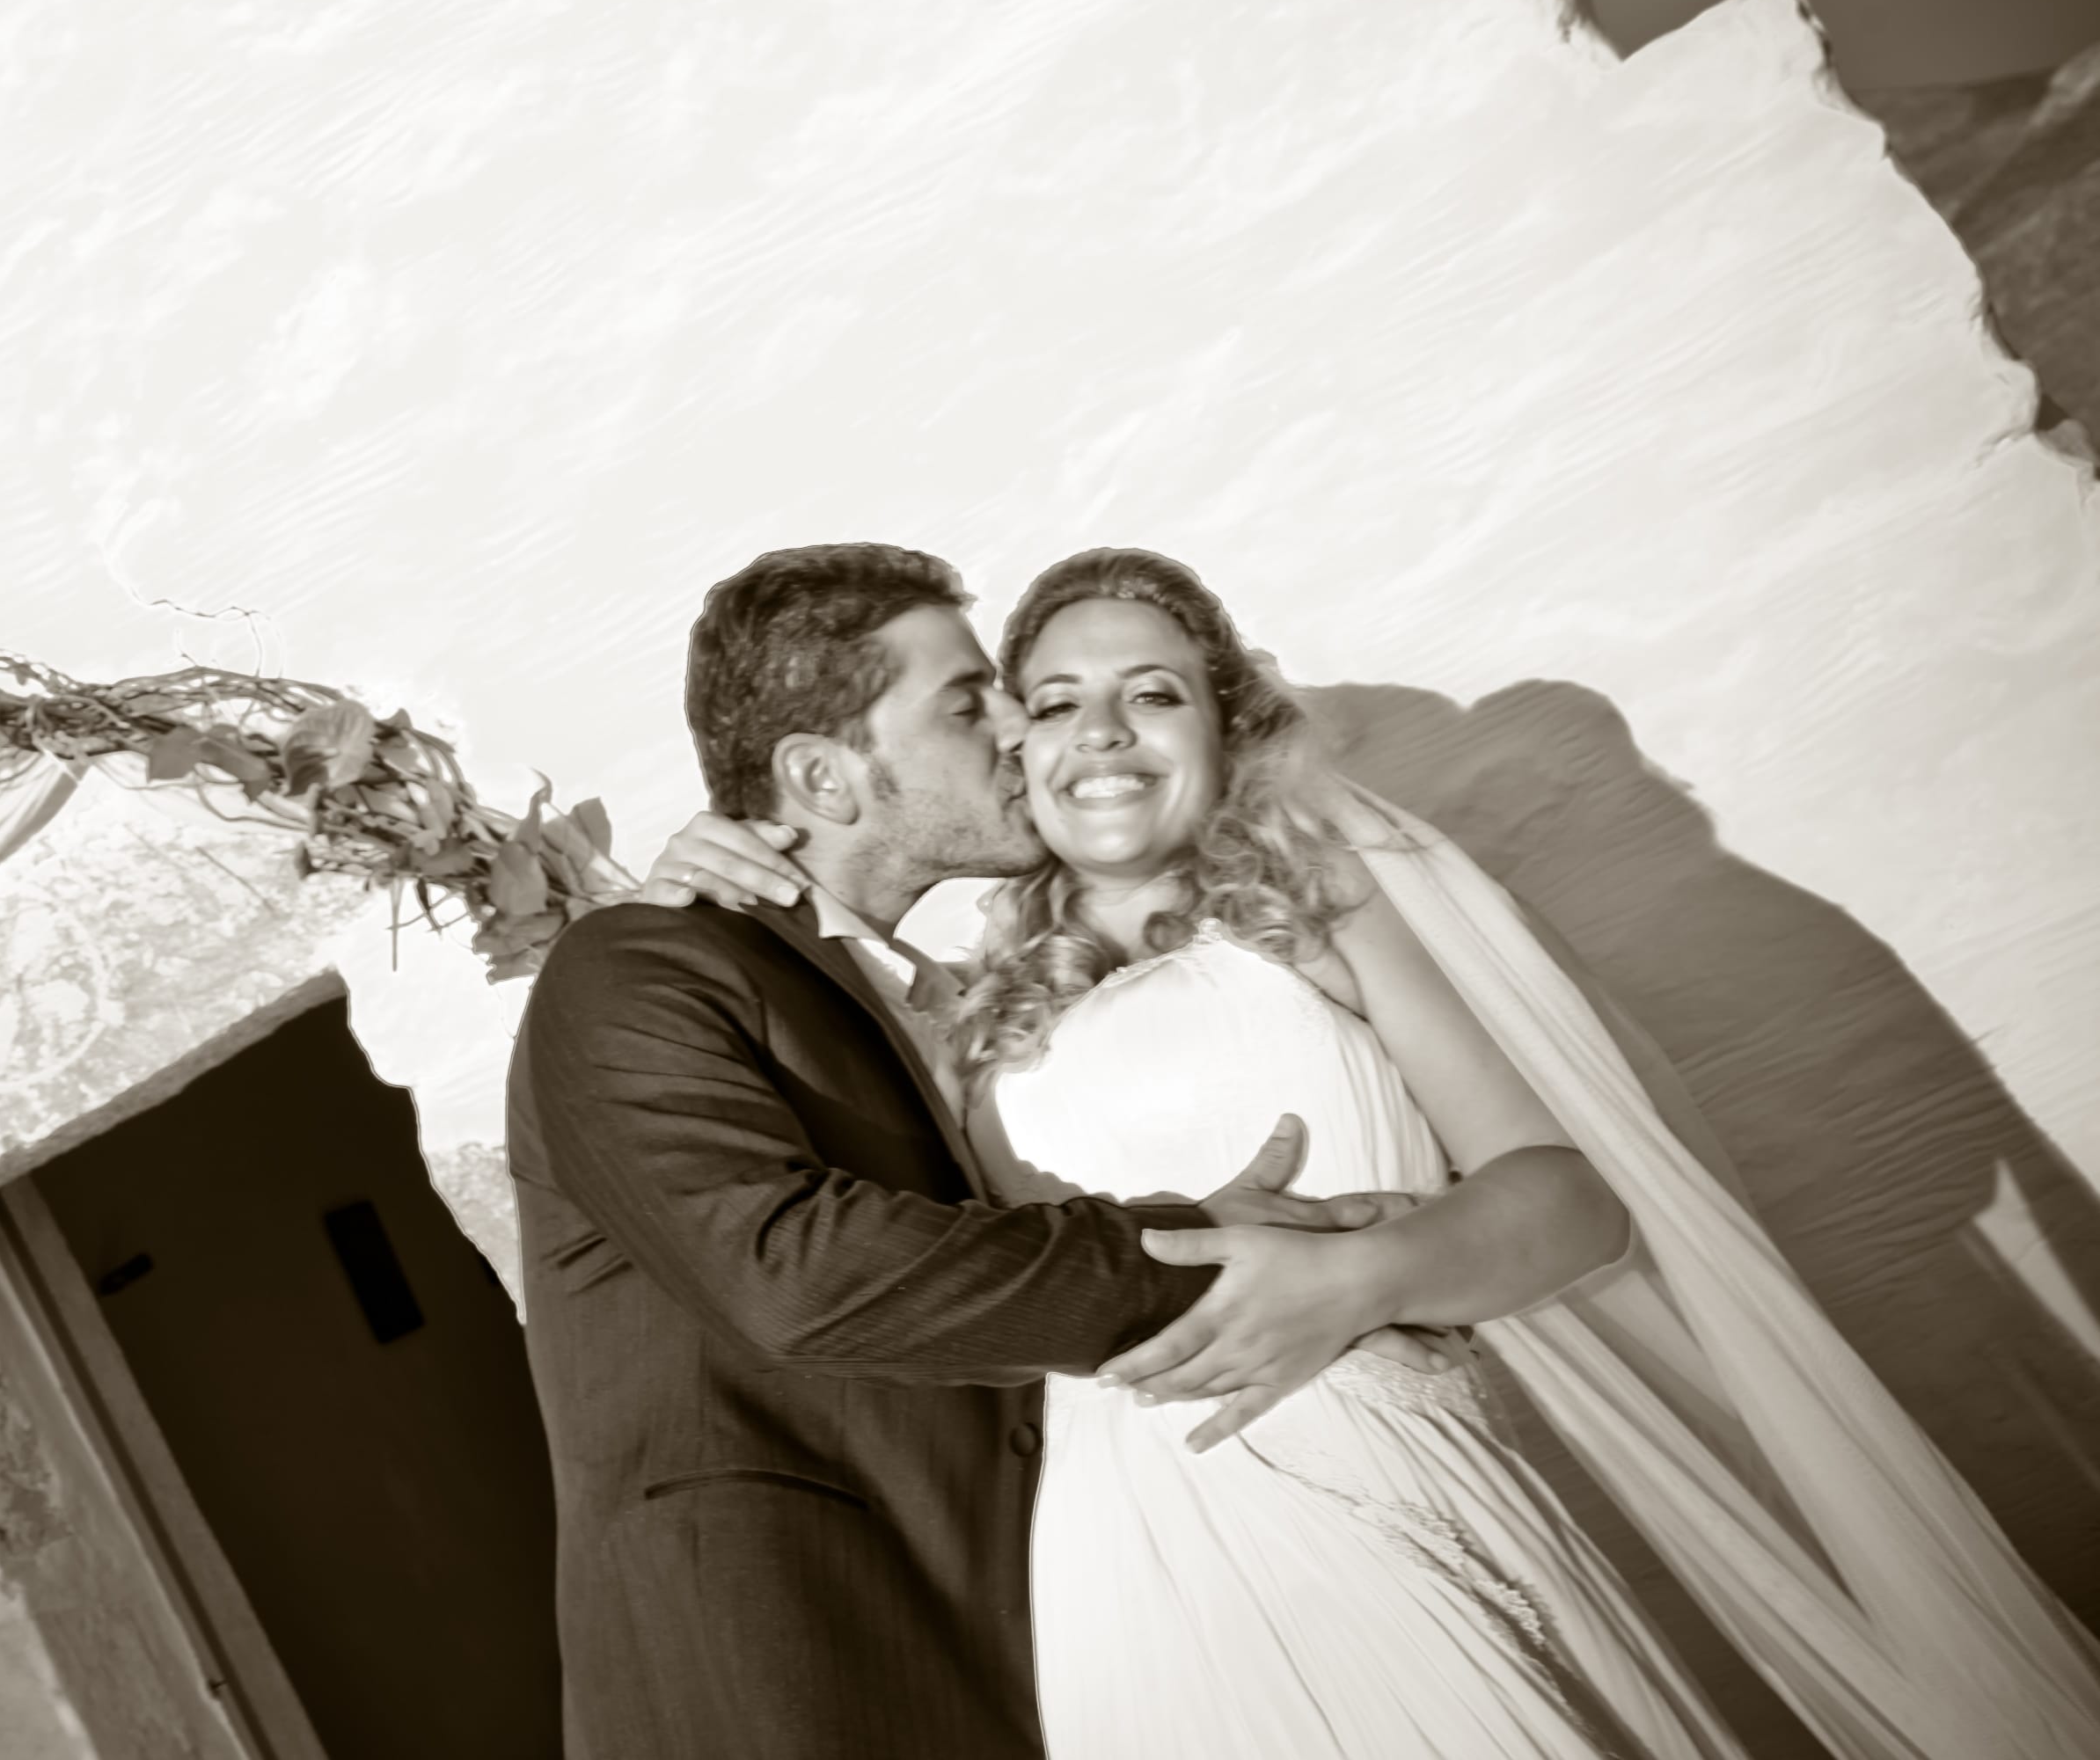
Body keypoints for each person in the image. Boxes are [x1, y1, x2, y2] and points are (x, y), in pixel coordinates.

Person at [645, 544, 2100, 1759]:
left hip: (1388, 1472)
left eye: (1150, 692)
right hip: (1122, 1552)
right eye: (1044, 699)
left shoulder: (1315, 904)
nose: (1096, 731)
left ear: (1225, 726)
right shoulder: (963, 1004)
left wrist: (1358, 1276)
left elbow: (1571, 1206)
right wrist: (684, 879)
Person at [506, 543, 1449, 1760]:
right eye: (966, 701)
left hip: (1033, 1643)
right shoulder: (637, 963)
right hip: (771, 1664)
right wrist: (1216, 1254)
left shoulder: (949, 999)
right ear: (821, 776)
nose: (1016, 726)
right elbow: (787, 1270)